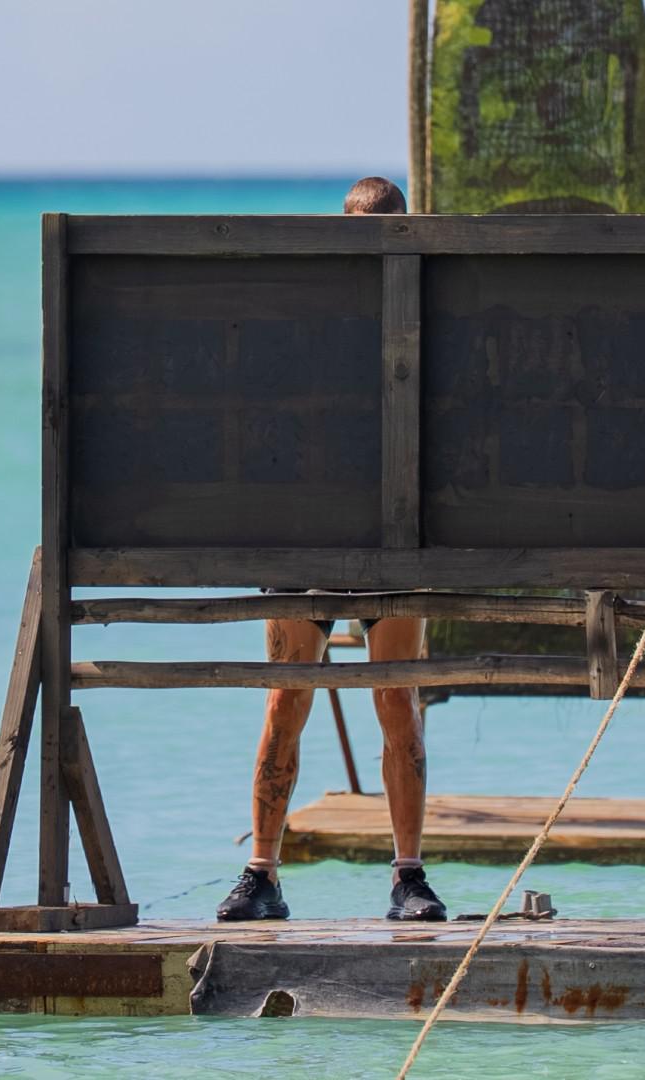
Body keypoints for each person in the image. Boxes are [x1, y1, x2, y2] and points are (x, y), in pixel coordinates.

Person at [215, 177, 446, 923]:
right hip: (312, 537)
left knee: (396, 701)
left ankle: (408, 873)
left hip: (392, 540)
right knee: (286, 702)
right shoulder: (309, 314)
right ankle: (262, 872)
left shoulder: (422, 312)